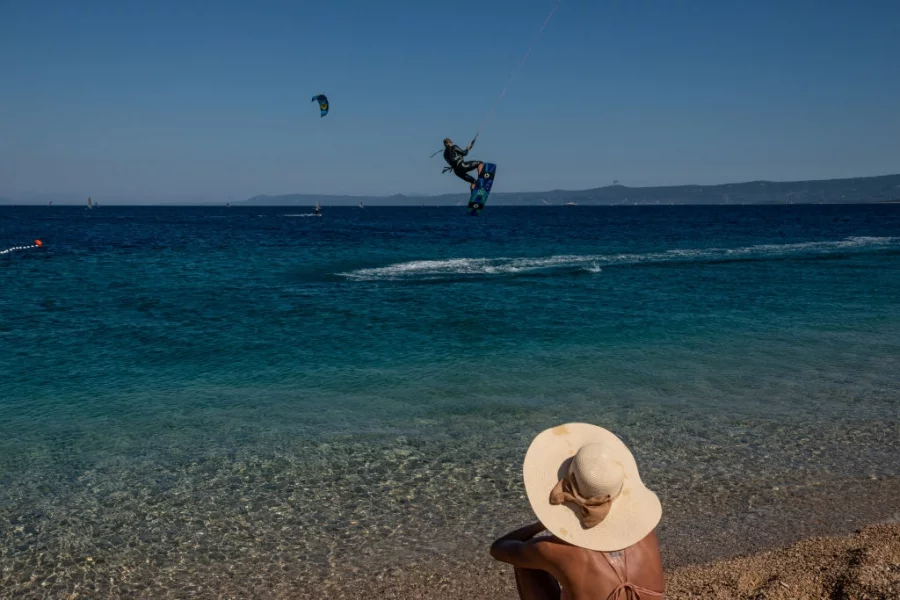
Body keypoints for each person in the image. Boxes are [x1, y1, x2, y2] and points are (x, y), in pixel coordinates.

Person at [490, 423, 665, 600]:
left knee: (525, 561)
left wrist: (541, 525)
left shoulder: (554, 550)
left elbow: (499, 548)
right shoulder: (645, 533)